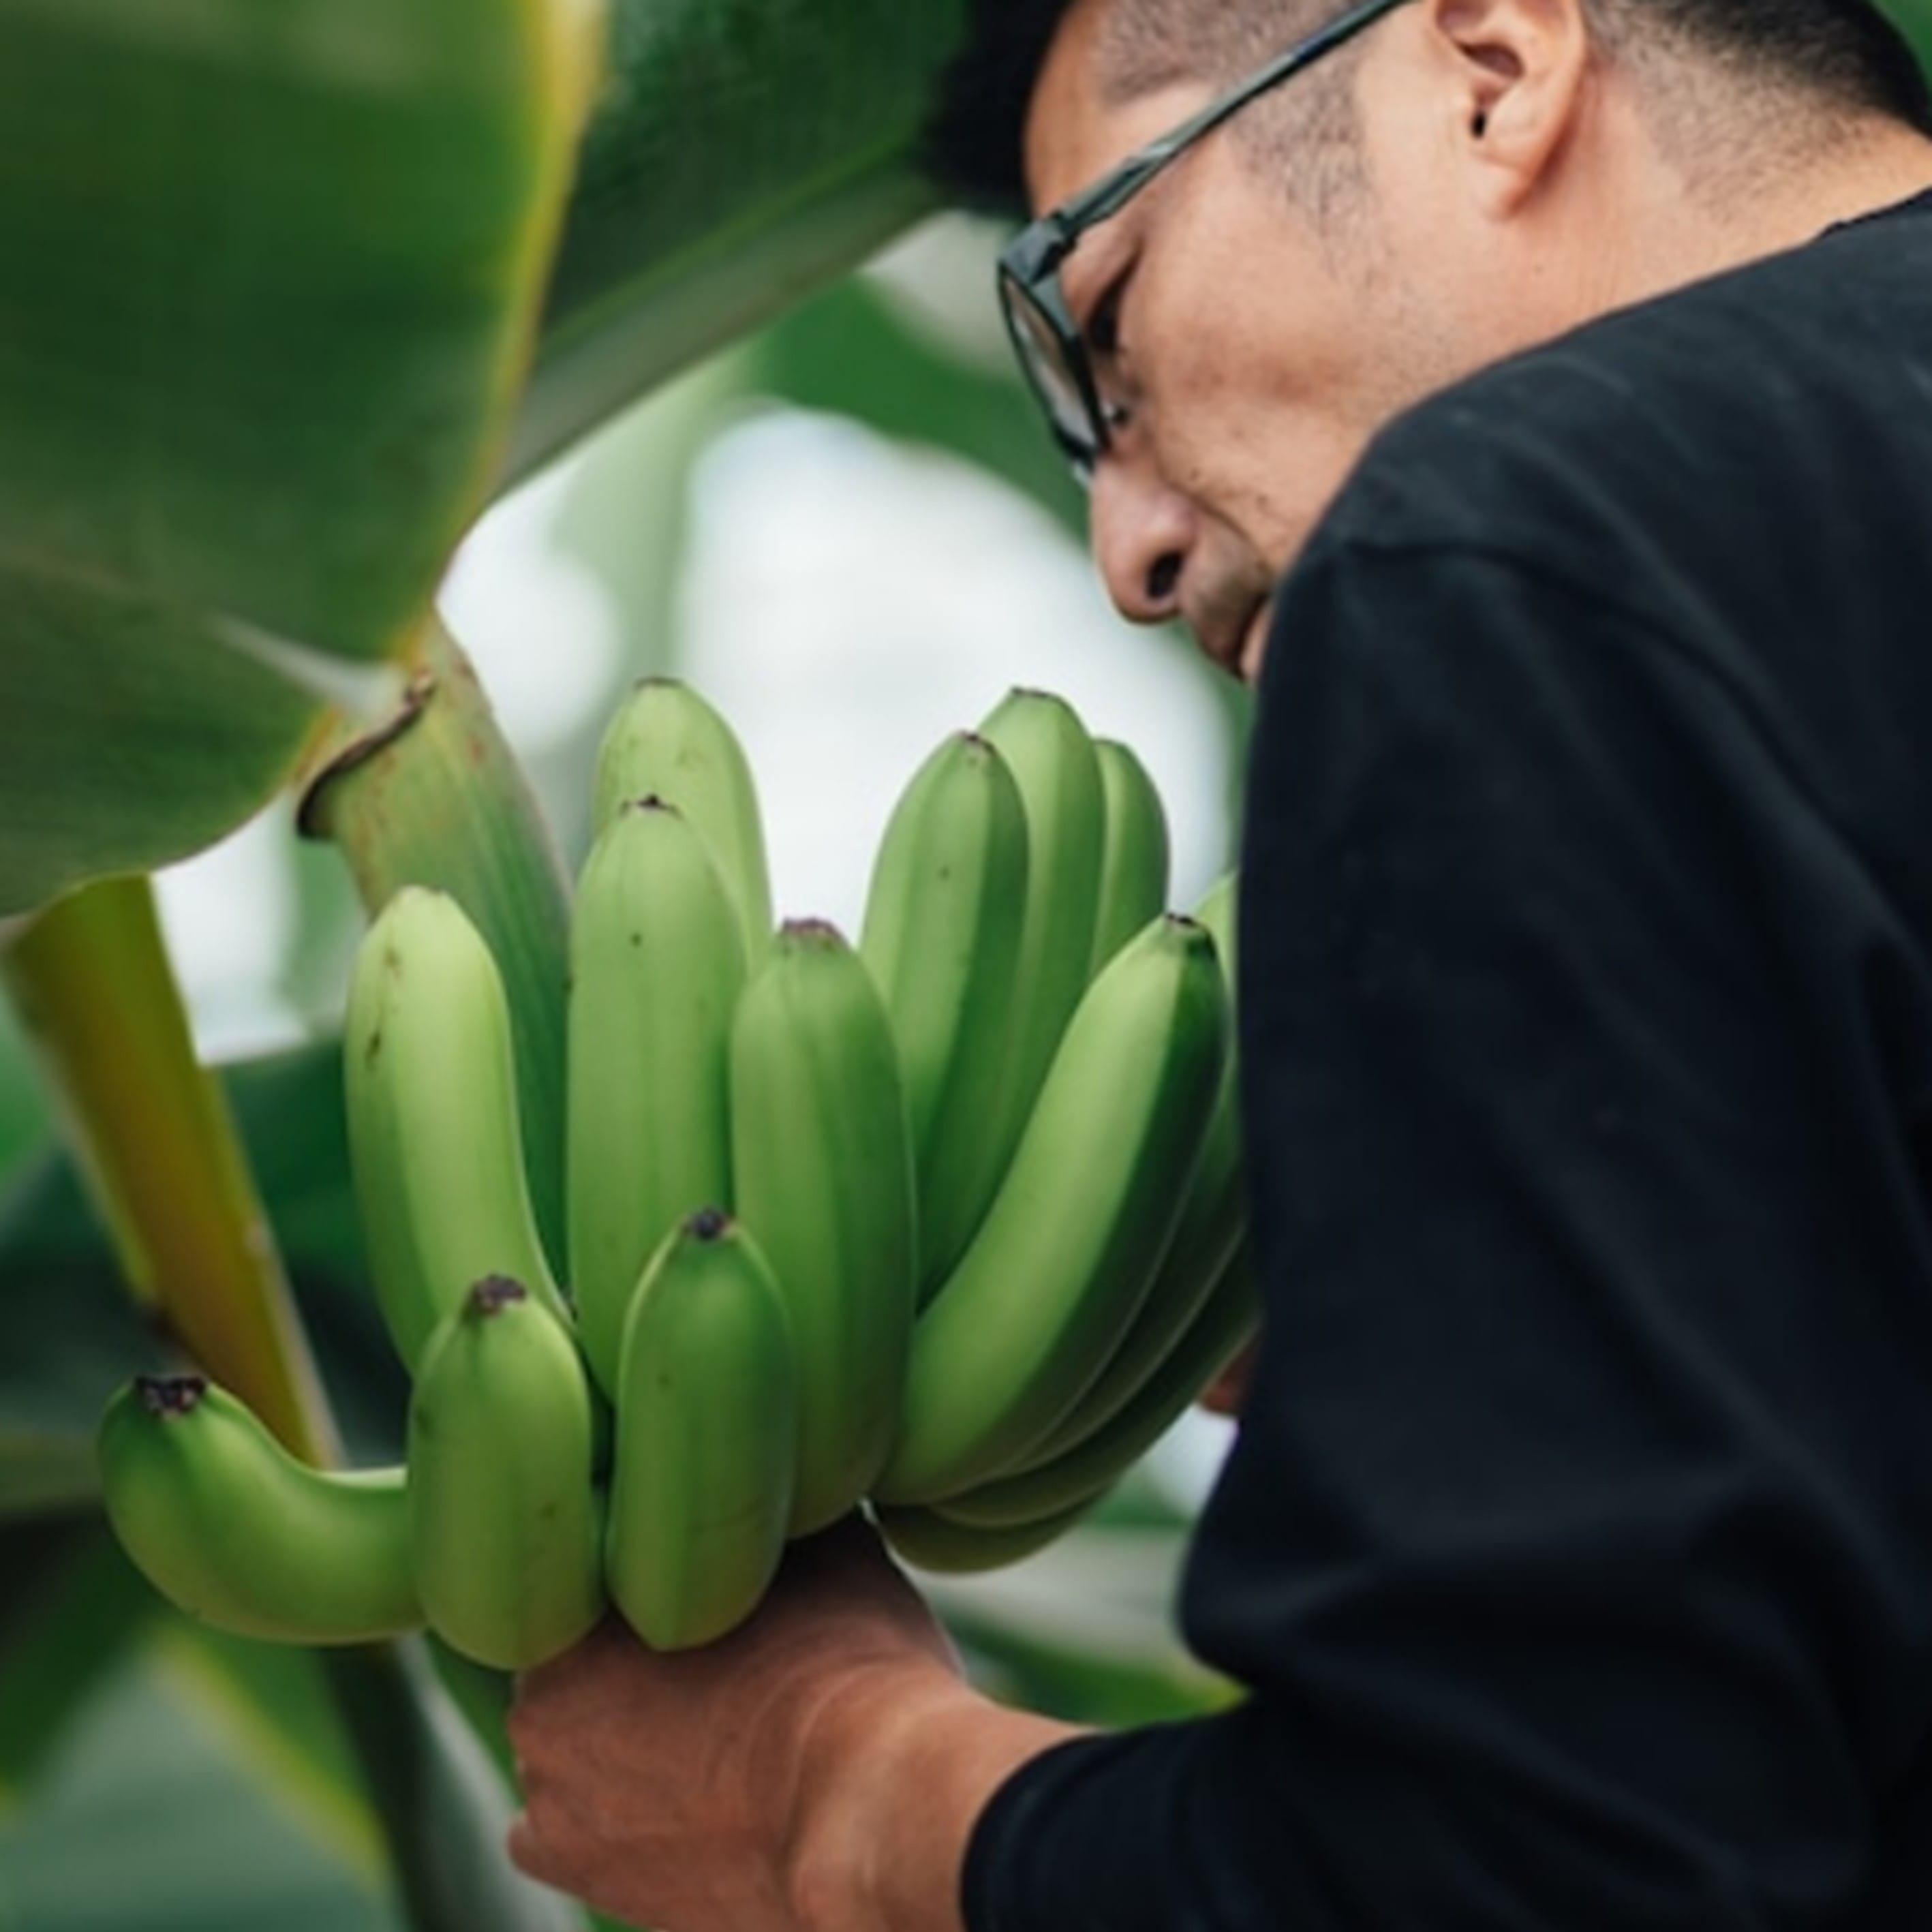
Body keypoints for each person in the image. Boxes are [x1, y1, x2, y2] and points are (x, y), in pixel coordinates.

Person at [506, 1, 1932, 1925]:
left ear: (1491, 72)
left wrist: (824, 1784)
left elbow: (1538, 1862)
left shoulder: (1507, 549)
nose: (1128, 549)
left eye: (1101, 320)